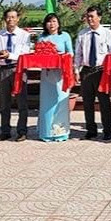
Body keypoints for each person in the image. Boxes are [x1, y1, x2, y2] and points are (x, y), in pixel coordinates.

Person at [0, 8, 31, 142]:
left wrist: (10, 55)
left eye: (13, 17)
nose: (11, 20)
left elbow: (25, 53)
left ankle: (22, 131)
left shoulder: (24, 35)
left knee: (21, 102)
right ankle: (5, 131)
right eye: (8, 17)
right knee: (4, 103)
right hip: (3, 69)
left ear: (18, 19)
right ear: (5, 19)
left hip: (18, 69)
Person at [74, 6, 111, 140]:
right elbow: (78, 54)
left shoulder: (107, 34)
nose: (90, 19)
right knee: (87, 102)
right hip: (86, 71)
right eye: (88, 16)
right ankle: (91, 129)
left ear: (99, 17)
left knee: (104, 102)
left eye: (92, 16)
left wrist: (110, 71)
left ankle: (107, 129)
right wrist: (76, 70)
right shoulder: (82, 34)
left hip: (101, 71)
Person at [37, 13, 74, 142]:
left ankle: (60, 131)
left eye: (54, 21)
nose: (51, 24)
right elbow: (38, 54)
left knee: (61, 100)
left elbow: (70, 53)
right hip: (47, 74)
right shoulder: (42, 37)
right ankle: (46, 131)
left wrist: (60, 57)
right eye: (49, 22)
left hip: (61, 73)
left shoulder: (64, 36)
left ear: (58, 23)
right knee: (47, 102)